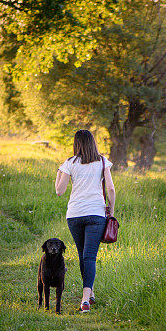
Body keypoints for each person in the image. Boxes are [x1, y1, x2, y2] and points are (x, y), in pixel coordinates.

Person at [55, 130, 115, 312]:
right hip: (96, 214)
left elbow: (60, 190)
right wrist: (111, 212)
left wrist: (59, 173)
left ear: (76, 144)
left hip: (74, 215)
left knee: (83, 255)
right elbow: (111, 190)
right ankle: (85, 299)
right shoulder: (103, 161)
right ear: (93, 143)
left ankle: (89, 294)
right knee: (89, 256)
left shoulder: (70, 163)